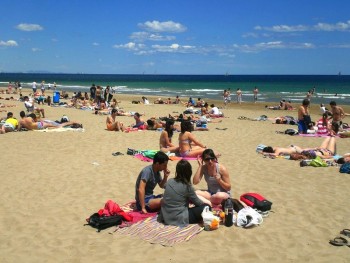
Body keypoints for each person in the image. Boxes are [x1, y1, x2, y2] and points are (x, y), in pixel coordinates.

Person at [157, 160, 210, 227]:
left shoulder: (170, 181)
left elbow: (164, 186)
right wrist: (206, 204)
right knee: (207, 207)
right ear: (189, 172)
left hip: (165, 216)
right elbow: (198, 203)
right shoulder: (187, 186)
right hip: (179, 218)